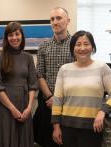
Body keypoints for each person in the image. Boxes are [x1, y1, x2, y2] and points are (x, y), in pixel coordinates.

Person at [52, 30, 111, 147]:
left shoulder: (102, 67)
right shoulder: (64, 69)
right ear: (73, 48)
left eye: (86, 44)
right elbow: (57, 99)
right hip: (67, 127)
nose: (82, 48)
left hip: (93, 127)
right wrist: (56, 127)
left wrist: (102, 111)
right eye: (78, 44)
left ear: (92, 47)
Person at [0, 21, 38, 147]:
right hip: (6, 108)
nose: (14, 38)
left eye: (17, 34)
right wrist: (12, 109)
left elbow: (33, 84)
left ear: (22, 36)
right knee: (6, 140)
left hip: (24, 107)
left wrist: (29, 108)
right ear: (6, 38)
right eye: (10, 35)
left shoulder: (28, 57)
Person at [33, 7, 73, 147]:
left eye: (59, 18)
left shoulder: (76, 45)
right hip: (47, 103)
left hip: (70, 105)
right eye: (52, 19)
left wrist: (60, 100)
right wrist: (50, 97)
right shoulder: (44, 46)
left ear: (68, 21)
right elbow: (39, 74)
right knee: (47, 141)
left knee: (67, 141)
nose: (55, 22)